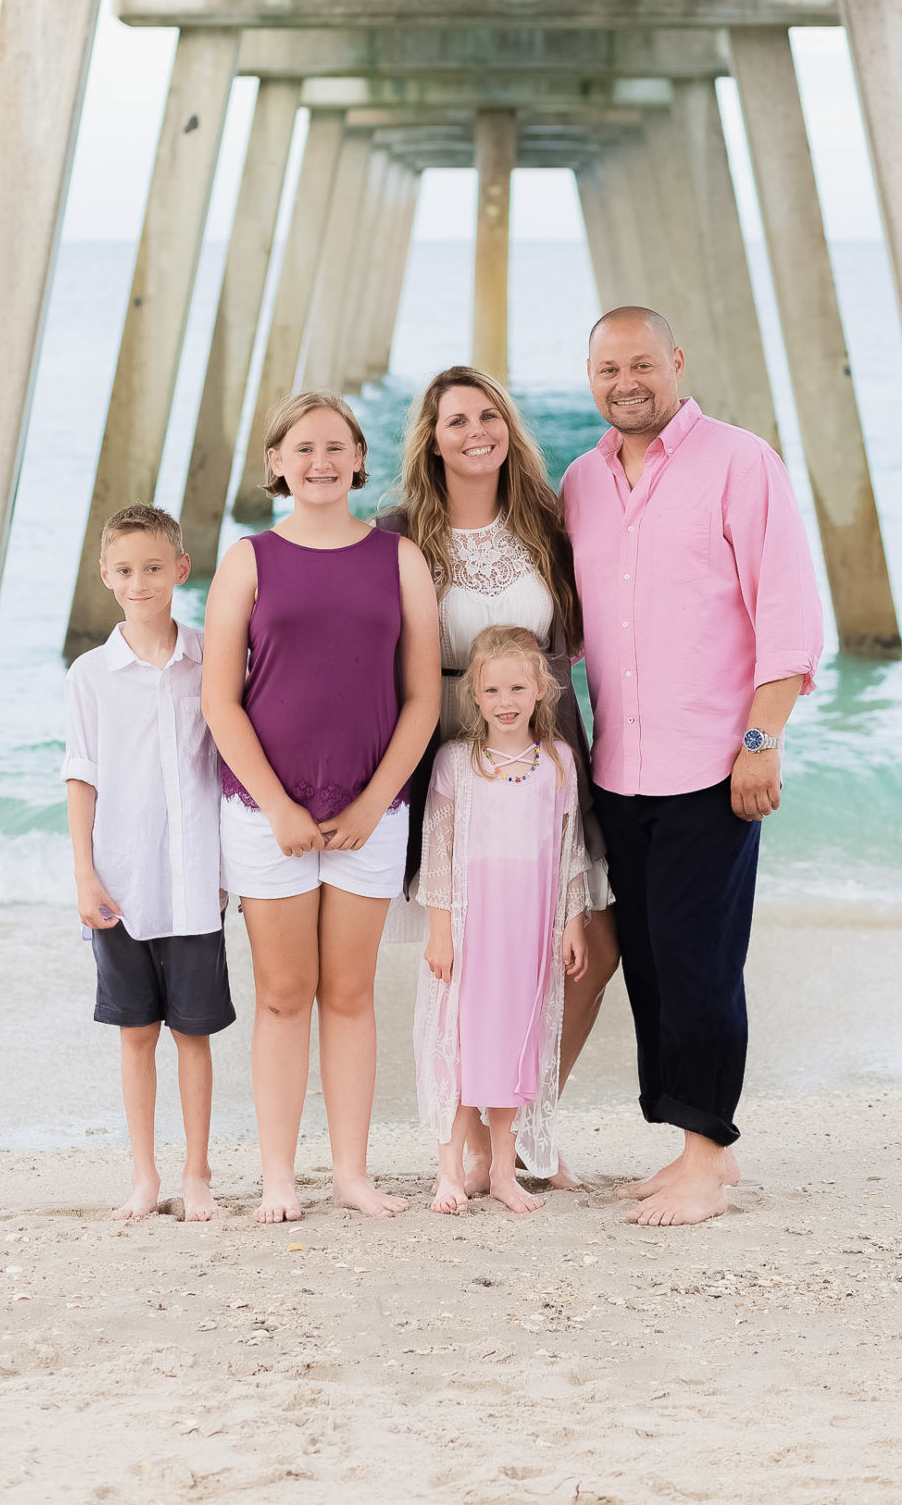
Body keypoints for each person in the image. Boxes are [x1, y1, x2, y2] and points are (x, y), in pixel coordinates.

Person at [560, 309, 823, 1227]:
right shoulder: (581, 482)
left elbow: (787, 615)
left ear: (677, 361)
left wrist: (762, 742)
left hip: (715, 765)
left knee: (703, 962)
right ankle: (690, 1143)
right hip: (620, 771)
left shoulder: (740, 462)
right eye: (606, 367)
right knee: (654, 970)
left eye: (640, 363)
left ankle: (709, 1159)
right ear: (588, 376)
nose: (625, 381)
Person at [376, 365, 618, 1191]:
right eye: (455, 421)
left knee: (592, 944)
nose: (476, 431)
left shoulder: (547, 524)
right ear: (431, 440)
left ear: (509, 428)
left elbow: (604, 624)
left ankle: (519, 1111)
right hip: (443, 742)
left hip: (547, 744)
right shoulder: (400, 532)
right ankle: (475, 1138)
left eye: (489, 416)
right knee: (464, 951)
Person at [202, 392, 440, 1224]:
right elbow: (219, 701)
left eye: (336, 446)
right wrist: (277, 808)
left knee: (350, 993)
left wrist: (378, 802)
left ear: (360, 459)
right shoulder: (249, 559)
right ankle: (277, 1177)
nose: (320, 461)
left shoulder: (398, 559)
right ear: (276, 462)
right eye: (303, 448)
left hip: (370, 812)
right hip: (269, 814)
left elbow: (421, 701)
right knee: (281, 993)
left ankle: (351, 1174)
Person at [64, 503, 234, 1225]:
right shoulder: (91, 674)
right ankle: (144, 1175)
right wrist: (84, 874)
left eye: (154, 568)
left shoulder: (211, 659)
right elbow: (82, 775)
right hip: (122, 882)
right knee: (136, 1034)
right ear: (106, 576)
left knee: (193, 1033)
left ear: (181, 571)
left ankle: (198, 1175)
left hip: (197, 880)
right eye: (126, 570)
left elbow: (231, 762)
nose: (140, 582)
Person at [415, 626, 590, 1216]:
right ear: (475, 695)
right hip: (471, 925)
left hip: (530, 926)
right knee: (463, 1041)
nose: (506, 700)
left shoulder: (558, 763)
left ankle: (503, 1171)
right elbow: (437, 852)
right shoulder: (456, 764)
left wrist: (571, 921)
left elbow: (569, 849)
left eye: (518, 686)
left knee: (518, 1040)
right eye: (493, 690)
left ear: (543, 689)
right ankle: (448, 1172)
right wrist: (439, 930)